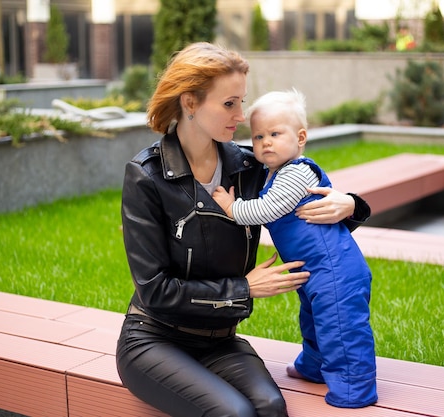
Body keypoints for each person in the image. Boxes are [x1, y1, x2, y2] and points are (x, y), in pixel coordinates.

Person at [116, 42, 371, 417]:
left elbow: (301, 193)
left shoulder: (250, 167)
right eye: (229, 103)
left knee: (270, 407)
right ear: (190, 103)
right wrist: (245, 288)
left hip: (221, 341)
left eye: (242, 101)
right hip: (155, 340)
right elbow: (155, 290)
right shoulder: (148, 177)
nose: (242, 115)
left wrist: (350, 204)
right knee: (234, 413)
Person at [212, 88, 377, 408]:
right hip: (315, 270)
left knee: (341, 329)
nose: (265, 142)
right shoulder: (276, 171)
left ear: (300, 138)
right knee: (315, 320)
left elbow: (265, 210)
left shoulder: (296, 173)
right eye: (258, 136)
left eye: (275, 133)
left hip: (335, 270)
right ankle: (314, 366)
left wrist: (231, 208)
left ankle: (354, 389)